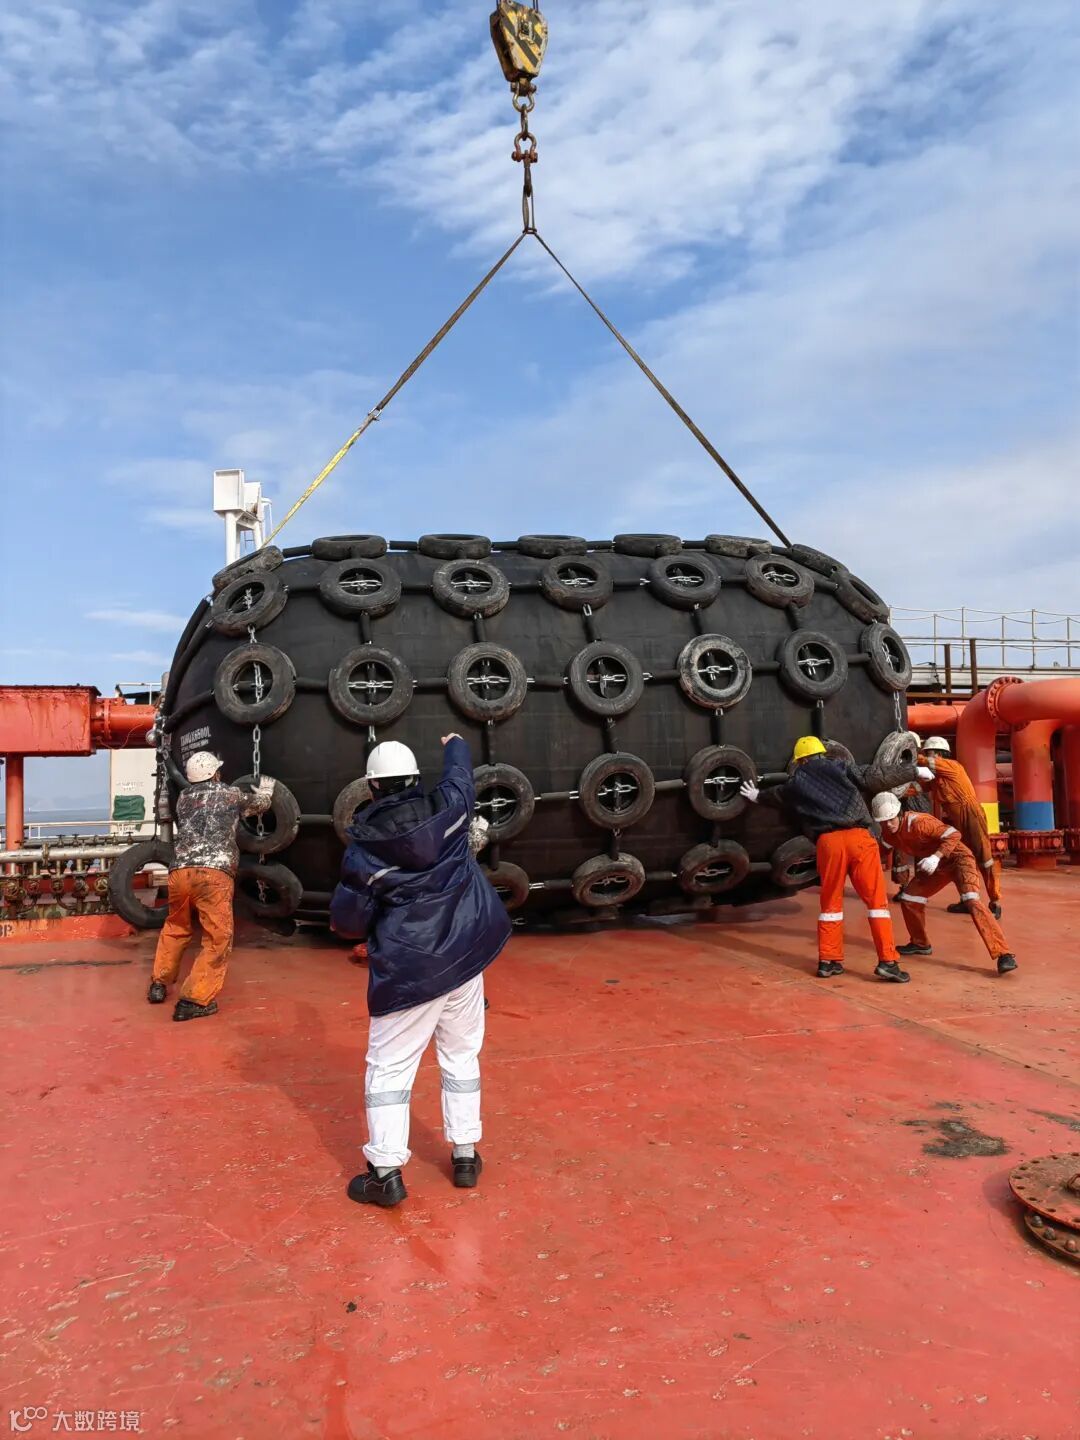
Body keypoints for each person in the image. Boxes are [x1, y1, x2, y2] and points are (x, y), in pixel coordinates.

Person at [330, 733, 511, 1209]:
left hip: (410, 971)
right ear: (414, 779)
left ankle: (386, 1172)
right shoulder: (450, 810)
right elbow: (460, 778)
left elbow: (348, 922)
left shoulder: (364, 851)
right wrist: (455, 744)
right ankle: (465, 1154)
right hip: (465, 959)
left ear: (372, 788)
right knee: (461, 1056)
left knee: (390, 1068)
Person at [740, 736, 912, 983]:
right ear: (823, 753)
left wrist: (757, 795)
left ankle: (829, 962)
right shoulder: (840, 766)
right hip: (859, 838)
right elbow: (872, 776)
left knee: (831, 903)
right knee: (876, 903)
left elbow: (777, 796)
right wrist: (912, 771)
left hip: (829, 843)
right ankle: (887, 962)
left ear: (800, 760)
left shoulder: (796, 783)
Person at [147, 751, 275, 1021]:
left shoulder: (184, 798)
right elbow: (260, 805)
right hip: (213, 874)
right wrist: (266, 791)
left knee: (176, 926)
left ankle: (159, 983)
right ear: (215, 773)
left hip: (180, 871)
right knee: (217, 937)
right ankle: (194, 999)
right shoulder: (230, 794)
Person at [871, 792, 1017, 975]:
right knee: (909, 899)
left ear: (899, 813)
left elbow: (954, 834)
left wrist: (935, 857)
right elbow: (879, 851)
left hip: (959, 859)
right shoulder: (888, 834)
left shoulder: (920, 822)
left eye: (891, 819)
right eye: (883, 822)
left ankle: (1004, 954)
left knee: (972, 900)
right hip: (938, 866)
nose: (888, 825)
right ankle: (920, 943)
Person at [918, 736, 1002, 917]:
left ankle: (995, 901)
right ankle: (967, 899)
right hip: (957, 820)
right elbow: (918, 788)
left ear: (940, 754)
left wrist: (910, 755)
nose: (927, 756)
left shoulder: (952, 766)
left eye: (929, 752)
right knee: (962, 857)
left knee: (984, 857)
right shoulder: (937, 778)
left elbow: (924, 762)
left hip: (971, 814)